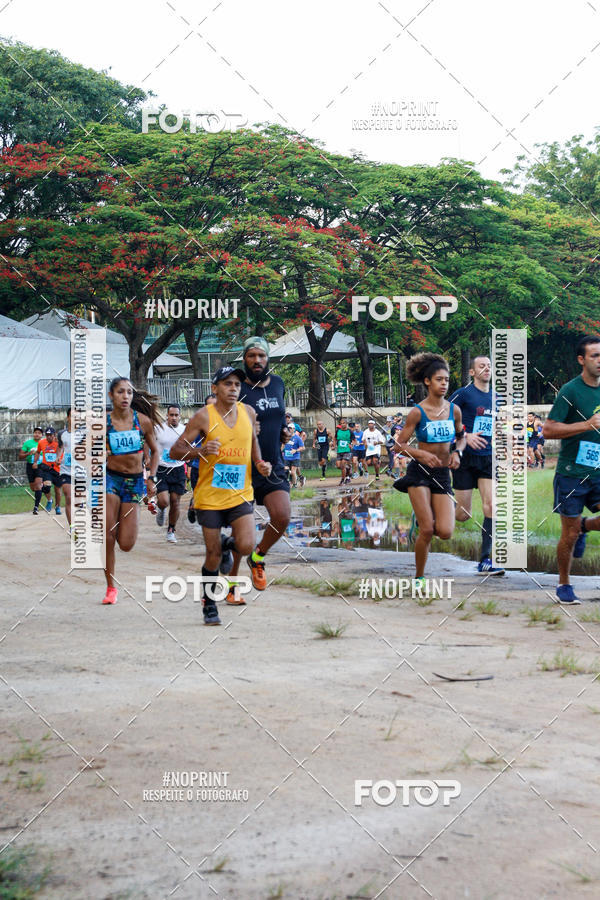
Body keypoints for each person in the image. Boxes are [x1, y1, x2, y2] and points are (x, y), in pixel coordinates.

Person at [170, 366, 271, 622]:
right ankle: (209, 605)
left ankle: (228, 544)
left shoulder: (248, 412)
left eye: (237, 384)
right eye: (227, 384)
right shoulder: (204, 416)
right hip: (210, 497)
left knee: (247, 545)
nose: (234, 388)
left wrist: (259, 462)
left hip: (240, 493)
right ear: (215, 388)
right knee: (213, 554)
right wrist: (200, 451)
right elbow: (175, 451)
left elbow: (253, 441)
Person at [393, 353, 466, 584]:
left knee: (444, 532)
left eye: (446, 380)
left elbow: (462, 437)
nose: (444, 384)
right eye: (439, 380)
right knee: (427, 530)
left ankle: (423, 518)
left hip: (442, 474)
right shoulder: (418, 412)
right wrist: (421, 453)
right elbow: (398, 446)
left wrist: (458, 452)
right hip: (419, 473)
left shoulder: (454, 410)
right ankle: (419, 576)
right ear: (427, 382)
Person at [543, 335, 600, 604]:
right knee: (569, 533)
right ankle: (564, 584)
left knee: (578, 528)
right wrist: (587, 425)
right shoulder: (570, 390)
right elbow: (549, 429)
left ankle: (586, 526)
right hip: (571, 473)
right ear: (582, 359)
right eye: (594, 356)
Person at [235, 337, 291, 592]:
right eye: (251, 356)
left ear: (267, 358)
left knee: (282, 516)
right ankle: (231, 585)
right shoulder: (237, 388)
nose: (257, 361)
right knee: (241, 535)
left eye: (261, 356)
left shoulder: (278, 383)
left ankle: (257, 557)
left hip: (272, 465)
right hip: (243, 469)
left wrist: (284, 432)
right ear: (244, 359)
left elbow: (279, 417)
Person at [104, 378, 160, 606]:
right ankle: (110, 587)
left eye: (129, 392)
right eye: (120, 392)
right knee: (107, 535)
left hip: (134, 482)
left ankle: (118, 526)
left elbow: (155, 452)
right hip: (110, 479)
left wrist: (152, 477)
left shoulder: (143, 421)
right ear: (111, 396)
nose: (125, 396)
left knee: (126, 544)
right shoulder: (102, 422)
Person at [449, 355, 505, 575]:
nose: (486, 369)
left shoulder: (497, 398)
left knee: (492, 506)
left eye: (489, 366)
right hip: (464, 457)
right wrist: (466, 435)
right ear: (472, 372)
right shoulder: (463, 394)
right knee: (463, 515)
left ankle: (486, 560)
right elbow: (444, 416)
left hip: (488, 457)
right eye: (481, 366)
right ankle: (437, 511)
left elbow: (497, 425)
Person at [153, 404, 186, 543]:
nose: (173, 418)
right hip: (162, 469)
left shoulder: (184, 430)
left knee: (175, 502)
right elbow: (149, 443)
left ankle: (171, 531)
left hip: (178, 469)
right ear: (167, 415)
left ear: (180, 416)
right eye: (171, 415)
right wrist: (148, 459)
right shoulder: (158, 428)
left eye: (176, 415)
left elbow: (189, 446)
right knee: (164, 501)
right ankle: (161, 508)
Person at [187, 396, 216, 524]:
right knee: (201, 499)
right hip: (199, 468)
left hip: (216, 469)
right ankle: (193, 505)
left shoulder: (226, 423)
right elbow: (186, 446)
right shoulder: (198, 425)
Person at [57, 408, 82, 536]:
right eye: (72, 416)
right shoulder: (62, 434)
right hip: (66, 470)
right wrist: (58, 457)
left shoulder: (85, 433)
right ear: (68, 417)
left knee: (79, 500)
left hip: (81, 471)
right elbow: (61, 448)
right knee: (68, 496)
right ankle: (73, 528)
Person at [32, 427, 62, 514]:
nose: (49, 437)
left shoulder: (59, 443)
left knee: (57, 490)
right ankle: (50, 500)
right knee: (47, 486)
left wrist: (60, 460)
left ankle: (58, 506)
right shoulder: (42, 442)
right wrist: (35, 462)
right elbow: (38, 452)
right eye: (47, 435)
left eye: (51, 435)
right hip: (47, 468)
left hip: (58, 469)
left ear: (54, 435)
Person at [19, 426, 43, 514]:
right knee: (33, 488)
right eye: (35, 432)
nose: (37, 434)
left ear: (42, 435)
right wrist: (29, 453)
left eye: (39, 433)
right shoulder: (28, 443)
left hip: (40, 466)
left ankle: (36, 507)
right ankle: (42, 488)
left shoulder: (44, 443)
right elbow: (20, 456)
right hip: (30, 466)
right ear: (33, 434)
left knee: (38, 485)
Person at [335, 418, 353, 485]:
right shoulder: (338, 431)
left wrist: (352, 444)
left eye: (344, 423)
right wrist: (333, 444)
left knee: (342, 465)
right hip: (340, 450)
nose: (342, 424)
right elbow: (335, 438)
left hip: (347, 451)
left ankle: (343, 480)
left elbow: (354, 440)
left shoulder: (350, 431)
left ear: (346, 424)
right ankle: (348, 468)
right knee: (338, 466)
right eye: (341, 423)